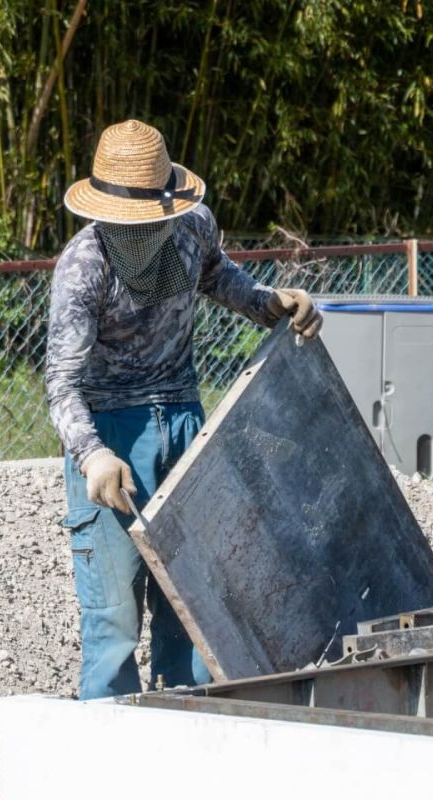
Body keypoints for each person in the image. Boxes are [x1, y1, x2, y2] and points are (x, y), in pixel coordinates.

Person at [45, 119, 322, 699]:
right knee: (114, 620)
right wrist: (93, 457)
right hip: (110, 433)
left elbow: (219, 275)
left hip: (184, 419)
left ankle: (190, 736)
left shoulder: (194, 228)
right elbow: (62, 384)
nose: (144, 234)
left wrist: (271, 303)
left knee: (193, 601)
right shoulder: (83, 267)